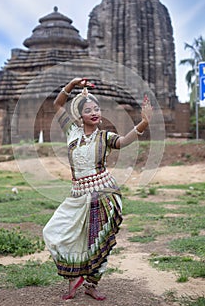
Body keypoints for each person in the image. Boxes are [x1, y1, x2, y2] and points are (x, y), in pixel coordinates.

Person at [43, 77, 153, 301]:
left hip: (103, 194)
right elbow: (57, 104)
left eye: (97, 109)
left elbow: (123, 141)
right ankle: (74, 276)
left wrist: (143, 123)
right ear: (79, 115)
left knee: (98, 241)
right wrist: (72, 85)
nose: (94, 113)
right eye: (89, 110)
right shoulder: (72, 132)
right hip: (77, 195)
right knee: (53, 233)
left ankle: (92, 284)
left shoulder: (104, 137)